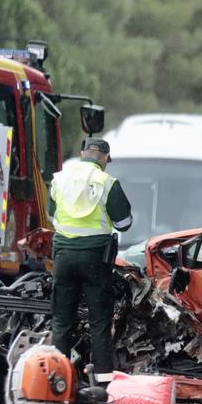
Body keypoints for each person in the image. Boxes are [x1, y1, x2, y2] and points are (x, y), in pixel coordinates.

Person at [49, 138, 133, 379]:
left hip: (63, 257)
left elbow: (50, 214)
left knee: (62, 321)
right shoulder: (108, 183)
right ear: (105, 158)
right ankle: (103, 383)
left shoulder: (59, 179)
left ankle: (57, 379)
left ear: (81, 152)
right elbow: (124, 224)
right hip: (96, 259)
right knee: (99, 322)